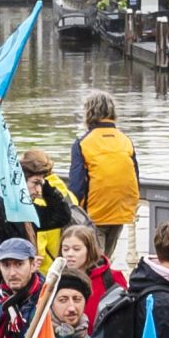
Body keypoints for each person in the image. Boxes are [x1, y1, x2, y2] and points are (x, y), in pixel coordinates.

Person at [67, 93, 141, 262]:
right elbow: (135, 176)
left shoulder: (83, 143)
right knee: (106, 258)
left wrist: (72, 211)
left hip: (95, 214)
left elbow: (76, 186)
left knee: (93, 264)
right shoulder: (125, 141)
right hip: (121, 210)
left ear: (89, 113)